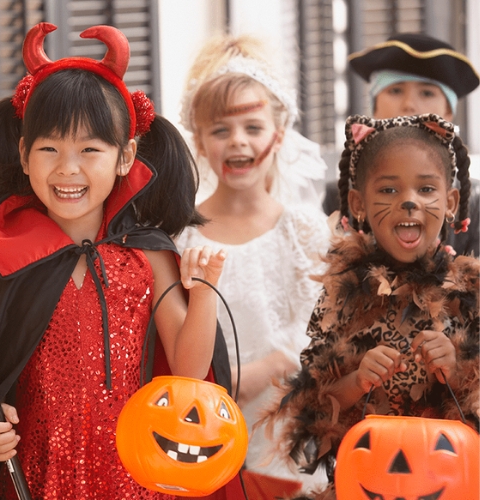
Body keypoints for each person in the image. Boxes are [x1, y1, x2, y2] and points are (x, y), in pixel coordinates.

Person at [0, 23, 234, 500]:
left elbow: (188, 375)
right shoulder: (7, 264)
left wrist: (207, 290)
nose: (68, 168)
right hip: (40, 476)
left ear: (126, 156)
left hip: (134, 474)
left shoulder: (147, 256)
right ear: (25, 155)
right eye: (49, 148)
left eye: (90, 149)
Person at [270, 114, 478, 499]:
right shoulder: (342, 294)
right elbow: (312, 407)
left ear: (450, 202)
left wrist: (456, 370)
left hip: (448, 484)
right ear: (357, 203)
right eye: (388, 190)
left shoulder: (470, 293)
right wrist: (357, 381)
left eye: (426, 189)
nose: (409, 202)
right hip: (363, 484)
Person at [175, 34, 331, 497]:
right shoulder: (182, 235)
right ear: (200, 142)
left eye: (253, 127)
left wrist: (254, 376)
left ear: (278, 136)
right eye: (220, 130)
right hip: (204, 425)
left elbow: (318, 327)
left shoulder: (303, 231)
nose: (237, 141)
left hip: (281, 427)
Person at [322, 33, 480, 256]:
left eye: (427, 92)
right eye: (395, 90)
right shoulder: (337, 196)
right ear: (374, 107)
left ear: (448, 112)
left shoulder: (475, 201)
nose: (409, 105)